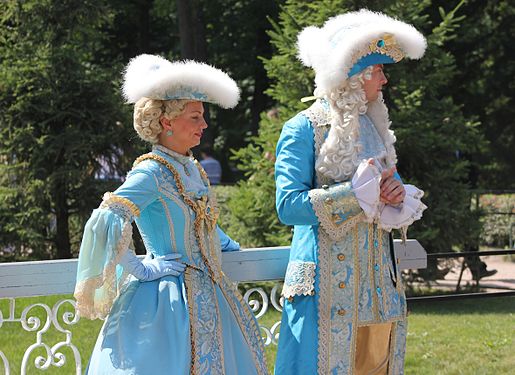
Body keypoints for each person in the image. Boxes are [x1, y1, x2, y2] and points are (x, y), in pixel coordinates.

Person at [74, 54, 267, 375]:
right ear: (167, 123)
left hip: (213, 295)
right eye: (195, 117)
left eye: (202, 116)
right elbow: (107, 218)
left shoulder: (191, 168)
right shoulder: (151, 172)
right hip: (166, 305)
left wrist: (231, 247)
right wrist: (141, 268)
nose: (204, 125)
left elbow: (203, 226)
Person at [274, 10, 427, 374]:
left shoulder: (375, 128)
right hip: (325, 292)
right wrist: (353, 194)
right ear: (356, 77)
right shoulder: (302, 128)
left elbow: (384, 189)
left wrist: (394, 192)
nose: (384, 81)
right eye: (378, 71)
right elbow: (288, 206)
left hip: (378, 293)